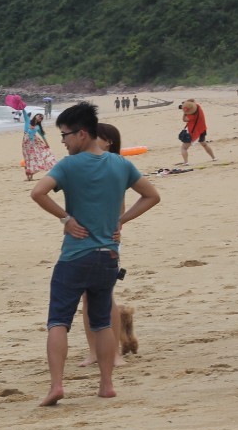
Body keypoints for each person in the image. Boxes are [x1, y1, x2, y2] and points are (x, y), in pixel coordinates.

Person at [30, 102, 161, 407]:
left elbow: (37, 192)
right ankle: (106, 384)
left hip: (75, 255)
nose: (62, 141)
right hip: (108, 256)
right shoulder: (120, 164)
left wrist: (65, 219)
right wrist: (122, 220)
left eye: (65, 135)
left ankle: (56, 385)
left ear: (82, 133)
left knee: (58, 322)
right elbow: (152, 195)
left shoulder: (68, 165)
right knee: (102, 321)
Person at [81, 123, 127, 369]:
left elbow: (119, 205)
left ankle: (115, 351)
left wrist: (117, 227)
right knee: (87, 296)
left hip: (106, 237)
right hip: (80, 237)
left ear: (108, 141)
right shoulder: (82, 165)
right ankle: (93, 351)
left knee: (105, 295)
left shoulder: (116, 166)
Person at [22, 112, 56, 181]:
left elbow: (42, 136)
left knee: (34, 157)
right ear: (36, 115)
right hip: (26, 142)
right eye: (39, 115)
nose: (40, 117)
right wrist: (22, 107)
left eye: (41, 118)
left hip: (34, 142)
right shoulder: (28, 121)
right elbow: (24, 113)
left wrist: (47, 144)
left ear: (40, 120)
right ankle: (29, 176)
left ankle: (31, 175)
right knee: (27, 158)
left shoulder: (37, 127)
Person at [179, 99, 215, 164]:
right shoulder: (198, 107)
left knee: (184, 148)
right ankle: (213, 157)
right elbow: (193, 100)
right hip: (202, 129)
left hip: (193, 132)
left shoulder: (191, 116)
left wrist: (184, 113)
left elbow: (184, 119)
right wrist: (187, 104)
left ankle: (186, 162)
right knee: (204, 144)